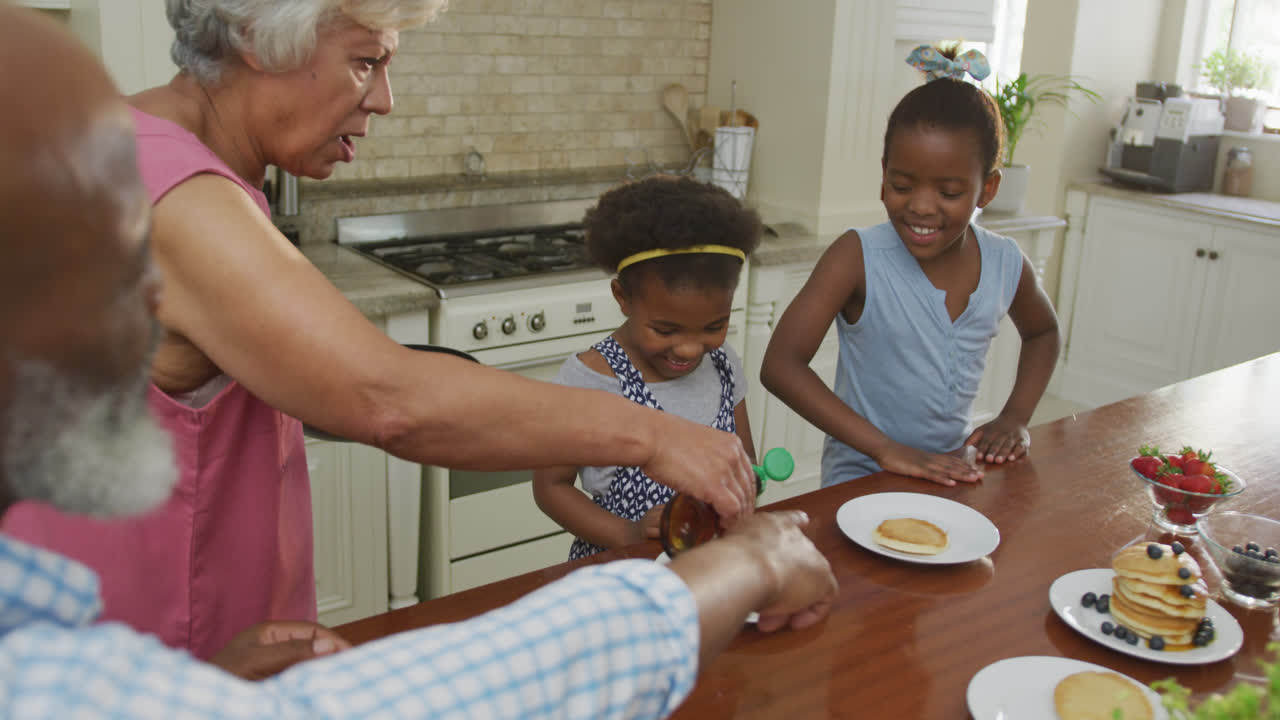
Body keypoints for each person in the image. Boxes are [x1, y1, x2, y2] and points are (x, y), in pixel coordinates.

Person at [0, 6, 837, 715]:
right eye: (366, 63)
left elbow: (316, 392)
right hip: (139, 635)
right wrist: (653, 435)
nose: (386, 100)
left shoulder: (161, 156)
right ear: (261, 35)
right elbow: (382, 398)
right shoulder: (172, 185)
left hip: (207, 646)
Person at [760, 46, 1061, 488]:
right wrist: (885, 449)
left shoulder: (1005, 262)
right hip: (859, 479)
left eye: (950, 192)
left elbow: (1043, 333)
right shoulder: (856, 257)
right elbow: (781, 365)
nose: (921, 206)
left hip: (949, 473)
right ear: (884, 175)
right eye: (902, 185)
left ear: (988, 189)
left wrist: (1015, 416)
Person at [533, 177, 762, 558]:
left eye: (713, 326)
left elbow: (746, 465)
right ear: (623, 297)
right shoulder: (594, 379)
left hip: (710, 567)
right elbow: (550, 488)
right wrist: (628, 531)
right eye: (665, 329)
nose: (689, 348)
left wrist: (749, 488)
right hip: (619, 573)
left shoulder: (723, 366)